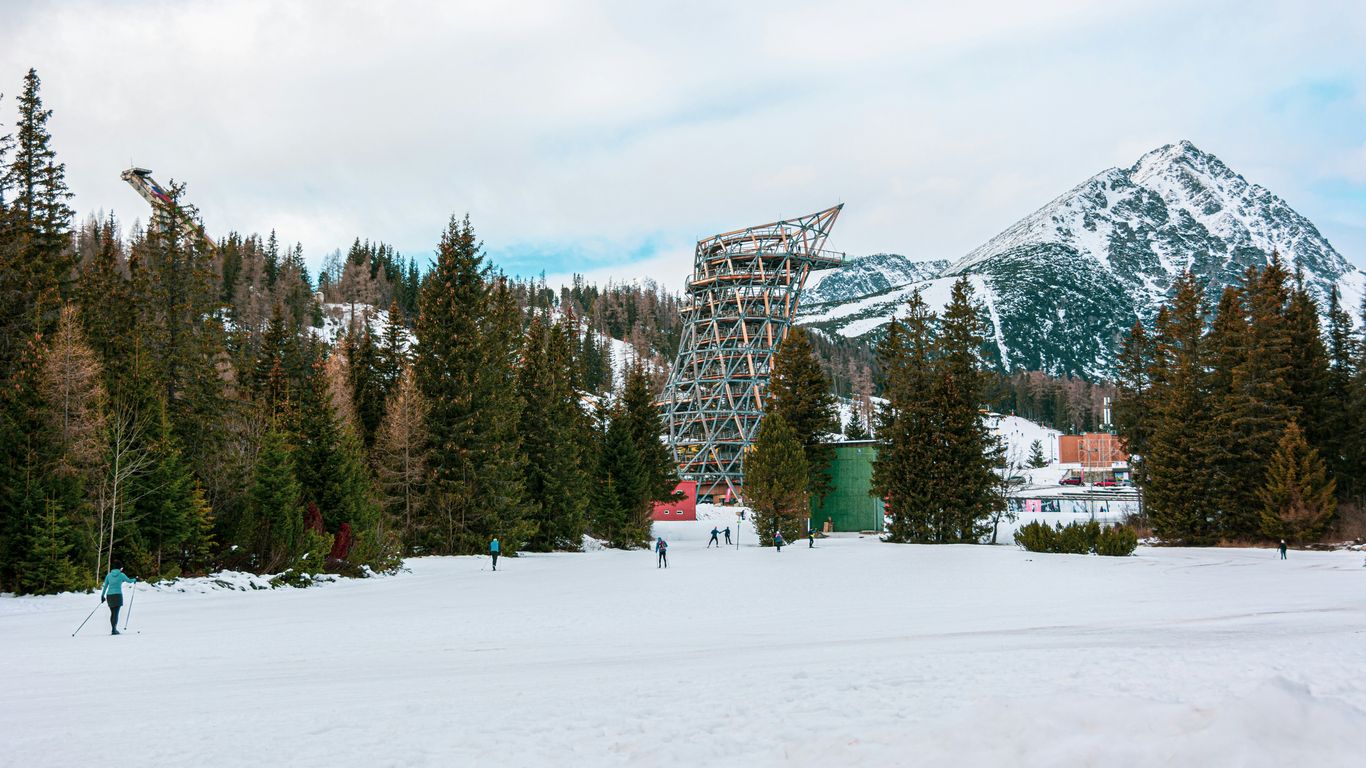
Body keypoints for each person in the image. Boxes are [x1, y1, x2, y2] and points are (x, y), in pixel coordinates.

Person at [100, 566, 137, 636]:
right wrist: (135, 579)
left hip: (109, 595)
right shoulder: (121, 575)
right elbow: (129, 580)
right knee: (116, 613)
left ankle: (113, 629)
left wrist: (102, 596)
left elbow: (105, 586)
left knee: (112, 613)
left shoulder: (108, 575)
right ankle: (114, 630)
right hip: (117, 595)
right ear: (120, 568)